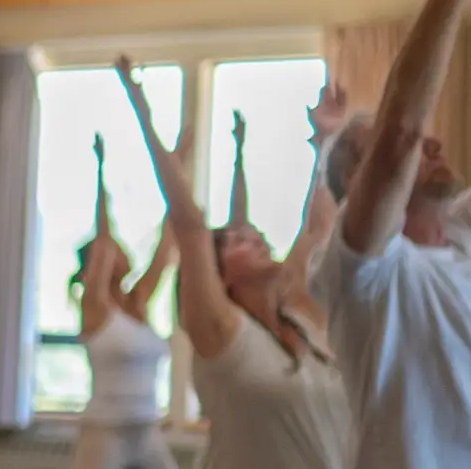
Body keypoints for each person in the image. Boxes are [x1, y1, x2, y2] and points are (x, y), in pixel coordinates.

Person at [111, 58, 352, 469]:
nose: (255, 237)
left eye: (254, 234)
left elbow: (318, 226)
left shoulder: (301, 317)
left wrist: (327, 141)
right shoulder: (222, 333)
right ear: (218, 278)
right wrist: (142, 110)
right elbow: (189, 226)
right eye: (238, 241)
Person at [313, 0, 471, 469]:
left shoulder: (460, 238)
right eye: (372, 153)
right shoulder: (365, 275)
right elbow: (401, 136)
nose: (431, 145)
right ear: (359, 186)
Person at [70, 133, 179, 469]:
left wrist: (177, 170)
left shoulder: (138, 302)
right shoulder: (95, 307)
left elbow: (165, 246)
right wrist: (100, 170)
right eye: (115, 248)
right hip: (106, 432)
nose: (122, 249)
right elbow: (103, 239)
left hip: (146, 427)